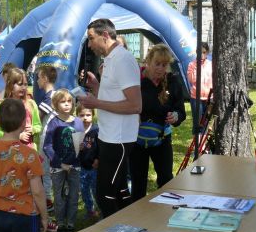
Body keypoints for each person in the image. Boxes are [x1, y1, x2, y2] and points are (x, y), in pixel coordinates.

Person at [77, 18, 142, 218]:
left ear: (105, 35)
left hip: (119, 140)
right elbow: (114, 96)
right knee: (120, 190)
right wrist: (96, 86)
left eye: (91, 39)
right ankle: (127, 231)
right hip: (109, 137)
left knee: (105, 195)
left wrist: (96, 104)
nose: (89, 45)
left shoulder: (123, 60)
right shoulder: (111, 60)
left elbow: (135, 105)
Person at [0, 98, 48, 232]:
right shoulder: (30, 155)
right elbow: (38, 191)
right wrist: (45, 216)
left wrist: (2, 193)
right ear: (23, 123)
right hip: (25, 216)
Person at [130, 44, 186, 202]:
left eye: (164, 65)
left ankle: (166, 212)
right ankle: (138, 215)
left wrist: (176, 116)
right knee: (138, 182)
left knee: (166, 179)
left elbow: (181, 111)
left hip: (162, 140)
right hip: (137, 141)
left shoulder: (173, 82)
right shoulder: (136, 80)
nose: (161, 69)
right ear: (148, 61)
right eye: (157, 63)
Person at [43, 89, 84, 232]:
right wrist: (60, 164)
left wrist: (82, 149)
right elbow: (47, 146)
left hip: (75, 166)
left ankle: (70, 224)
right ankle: (60, 224)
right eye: (63, 101)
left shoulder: (78, 122)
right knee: (59, 197)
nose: (67, 104)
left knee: (73, 196)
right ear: (55, 104)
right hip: (57, 167)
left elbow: (79, 144)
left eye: (69, 101)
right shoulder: (53, 123)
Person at [0, 68, 42, 150]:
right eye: (20, 84)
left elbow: (38, 126)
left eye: (25, 84)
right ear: (10, 85)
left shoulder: (31, 104)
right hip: (8, 152)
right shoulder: (2, 105)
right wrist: (16, 136)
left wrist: (33, 129)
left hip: (29, 151)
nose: (24, 87)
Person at [36, 65, 57, 214]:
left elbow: (38, 118)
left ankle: (48, 201)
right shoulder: (54, 95)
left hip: (47, 139)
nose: (36, 80)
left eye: (38, 77)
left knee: (45, 171)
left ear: (44, 78)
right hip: (52, 138)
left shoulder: (49, 97)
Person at [76, 103, 100, 218]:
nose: (85, 117)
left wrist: (98, 159)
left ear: (93, 115)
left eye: (88, 115)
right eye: (81, 115)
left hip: (94, 166)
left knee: (96, 190)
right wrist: (77, 148)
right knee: (84, 190)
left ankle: (101, 210)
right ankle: (89, 209)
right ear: (77, 116)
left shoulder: (96, 130)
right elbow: (73, 149)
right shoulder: (76, 131)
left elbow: (101, 147)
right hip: (82, 167)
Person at [187, 42, 213, 134]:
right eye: (199, 52)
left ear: (207, 52)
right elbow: (191, 79)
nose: (202, 54)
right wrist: (196, 66)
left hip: (208, 98)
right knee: (197, 123)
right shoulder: (191, 64)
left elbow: (213, 80)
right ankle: (197, 145)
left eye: (204, 52)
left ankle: (203, 144)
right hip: (196, 98)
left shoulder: (211, 64)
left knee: (205, 122)